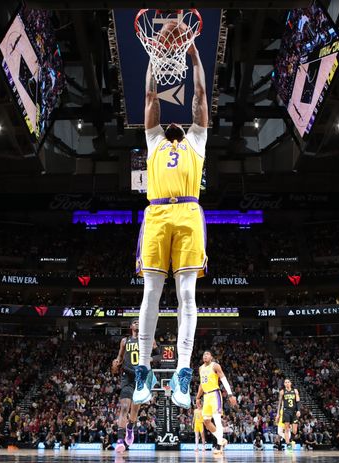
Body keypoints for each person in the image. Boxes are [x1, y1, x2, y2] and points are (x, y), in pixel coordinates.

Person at [133, 35, 209, 410]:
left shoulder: (197, 139)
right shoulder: (153, 141)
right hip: (158, 213)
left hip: (189, 213)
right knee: (151, 293)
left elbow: (199, 96)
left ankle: (182, 370)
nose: (174, 122)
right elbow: (150, 99)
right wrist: (152, 56)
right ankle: (143, 369)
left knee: (187, 296)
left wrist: (194, 58)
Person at [111, 319, 157, 453]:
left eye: (139, 322)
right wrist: (115, 364)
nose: (137, 323)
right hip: (127, 377)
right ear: (131, 326)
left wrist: (152, 359)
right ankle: (120, 440)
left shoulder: (148, 340)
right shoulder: (125, 341)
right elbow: (119, 358)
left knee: (134, 411)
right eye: (135, 322)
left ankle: (130, 427)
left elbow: (159, 355)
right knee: (124, 407)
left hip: (140, 377)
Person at [194, 351, 238, 455]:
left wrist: (230, 394)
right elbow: (201, 384)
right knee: (206, 421)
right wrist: (197, 397)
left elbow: (223, 379)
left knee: (217, 420)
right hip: (206, 396)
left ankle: (219, 446)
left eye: (207, 354)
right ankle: (221, 439)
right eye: (204, 354)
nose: (205, 355)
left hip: (215, 394)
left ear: (211, 357)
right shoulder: (201, 368)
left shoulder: (215, 366)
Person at [277, 379, 301, 450]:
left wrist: (298, 410)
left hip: (293, 411)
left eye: (288, 382)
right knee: (286, 429)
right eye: (285, 382)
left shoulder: (295, 391)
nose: (287, 383)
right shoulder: (282, 392)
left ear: (290, 383)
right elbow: (280, 403)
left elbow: (298, 401)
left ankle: (290, 440)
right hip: (286, 411)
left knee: (294, 430)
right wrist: (278, 414)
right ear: (284, 384)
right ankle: (288, 445)